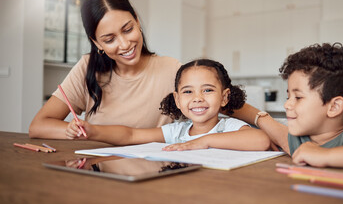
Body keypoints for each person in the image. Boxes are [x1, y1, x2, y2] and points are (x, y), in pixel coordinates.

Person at [29, 0, 284, 142]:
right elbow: (39, 125)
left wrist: (266, 122)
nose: (125, 44)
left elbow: (220, 100)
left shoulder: (170, 69)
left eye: (128, 29)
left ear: (137, 21)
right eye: (109, 39)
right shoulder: (87, 69)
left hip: (157, 172)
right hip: (98, 169)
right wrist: (77, 131)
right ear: (96, 42)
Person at [65, 59, 271, 151]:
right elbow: (131, 135)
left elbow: (261, 140)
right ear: (178, 99)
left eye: (207, 90)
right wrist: (92, 131)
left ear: (224, 97)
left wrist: (204, 141)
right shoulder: (177, 131)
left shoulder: (229, 127)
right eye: (188, 92)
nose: (197, 98)